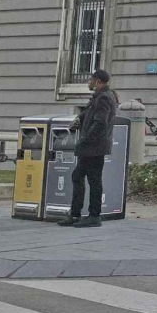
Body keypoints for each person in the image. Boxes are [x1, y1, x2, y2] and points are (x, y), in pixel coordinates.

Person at [61, 69, 118, 228]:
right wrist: (79, 119)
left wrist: (86, 139)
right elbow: (87, 113)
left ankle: (93, 215)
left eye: (91, 79)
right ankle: (76, 214)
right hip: (92, 146)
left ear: (98, 81)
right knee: (79, 176)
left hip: (94, 147)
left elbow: (100, 122)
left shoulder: (104, 98)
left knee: (92, 180)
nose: (89, 82)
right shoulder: (98, 97)